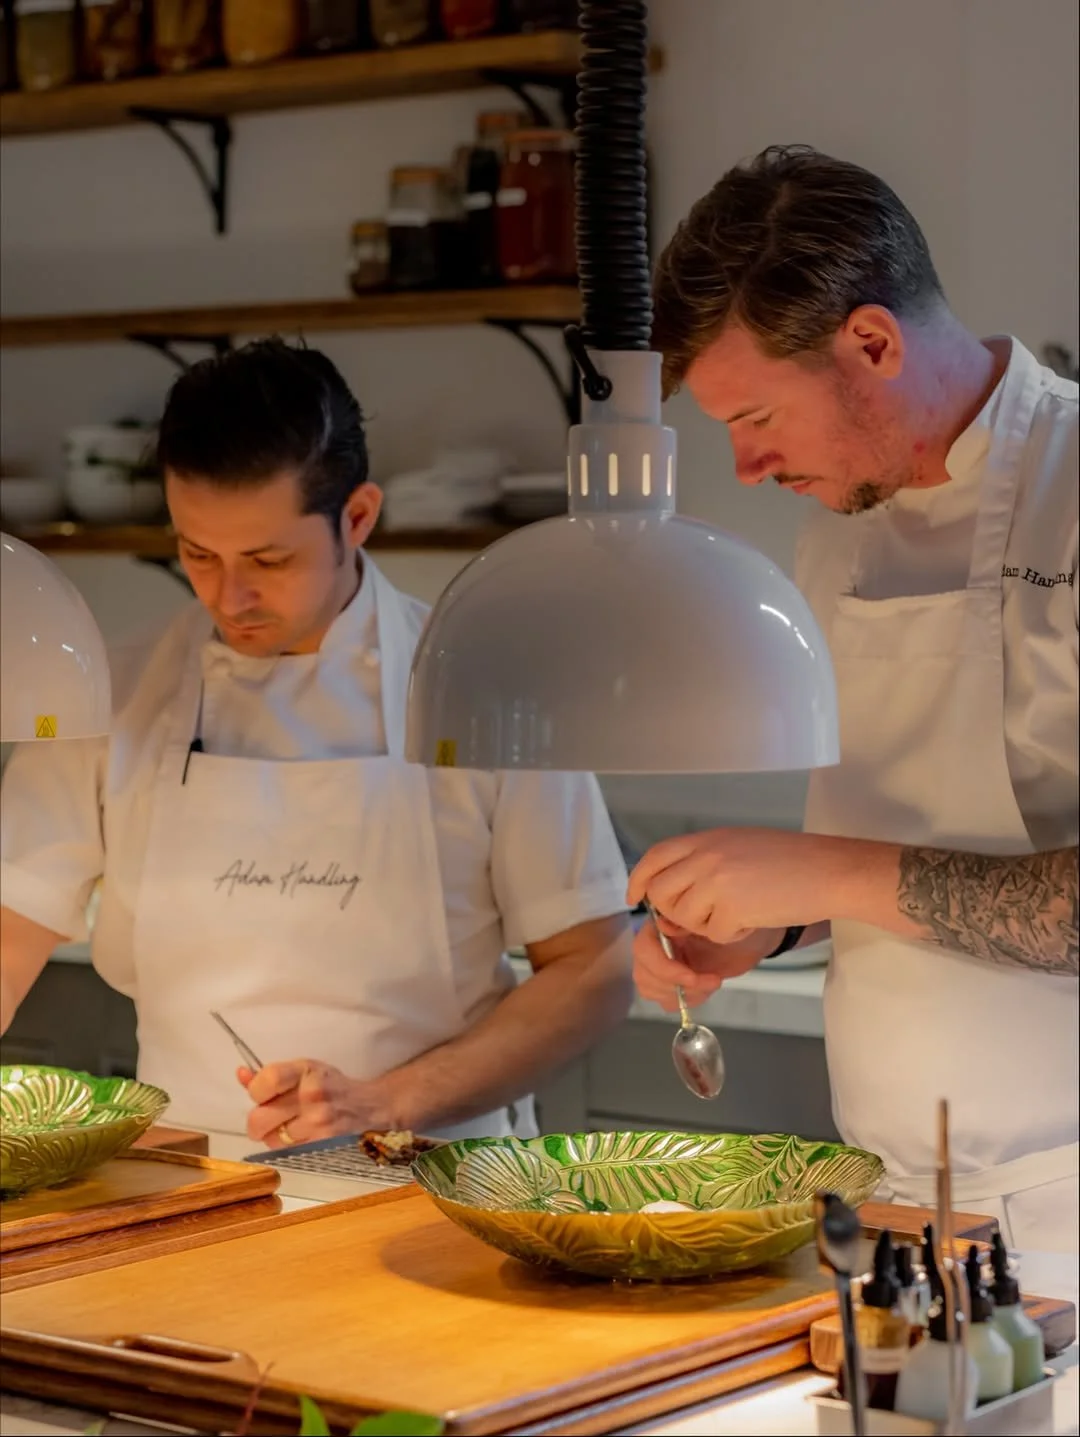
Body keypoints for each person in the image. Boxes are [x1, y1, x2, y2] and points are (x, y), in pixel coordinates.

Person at [0, 339, 633, 1146]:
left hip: (431, 1179)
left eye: (268, 558)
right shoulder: (111, 690)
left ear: (358, 516)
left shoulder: (484, 688)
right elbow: (10, 929)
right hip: (188, 1185)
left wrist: (389, 1101)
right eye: (197, 554)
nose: (230, 595)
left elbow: (595, 968)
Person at [628, 146, 1078, 1250]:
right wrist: (775, 923)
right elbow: (915, 849)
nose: (741, 468)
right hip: (885, 1191)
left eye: (754, 420)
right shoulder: (838, 526)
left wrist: (817, 870)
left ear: (871, 343)